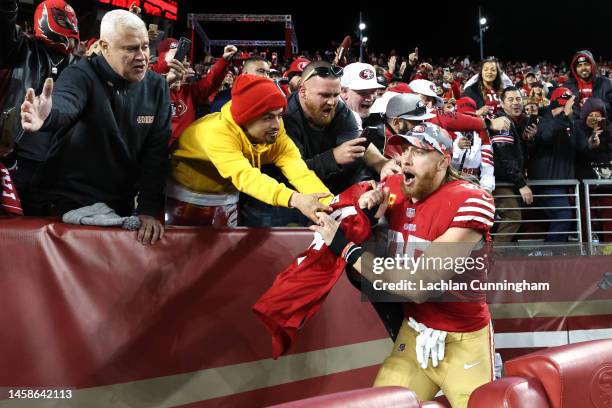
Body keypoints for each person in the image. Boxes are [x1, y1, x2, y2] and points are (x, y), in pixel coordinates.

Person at [312, 122, 496, 408]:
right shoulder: (393, 188)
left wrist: (346, 249)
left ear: (442, 163)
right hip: (413, 332)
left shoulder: (470, 199)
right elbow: (368, 240)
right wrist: (369, 218)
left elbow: (419, 286)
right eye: (405, 150)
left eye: (420, 151)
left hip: (463, 339)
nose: (406, 159)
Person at [20, 9, 169, 245]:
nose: (142, 56)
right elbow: (65, 103)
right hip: (67, 204)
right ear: (104, 46)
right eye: (130, 49)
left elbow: (156, 154)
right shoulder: (81, 74)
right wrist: (46, 116)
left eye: (145, 46)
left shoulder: (157, 87)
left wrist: (149, 210)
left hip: (119, 206)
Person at [168, 74, 332, 227]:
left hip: (226, 196)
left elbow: (300, 173)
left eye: (279, 115)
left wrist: (331, 205)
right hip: (184, 195)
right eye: (267, 117)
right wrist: (295, 199)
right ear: (245, 118)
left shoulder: (275, 131)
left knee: (225, 253)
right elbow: (246, 176)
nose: (277, 125)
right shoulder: (214, 132)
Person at [0, 0, 80, 208]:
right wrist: (8, 6)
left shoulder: (79, 65)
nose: (71, 24)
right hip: (12, 156)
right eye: (64, 18)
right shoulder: (20, 46)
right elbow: (4, 25)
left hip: (55, 166)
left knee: (41, 231)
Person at [149, 38, 236, 147]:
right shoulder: (145, 84)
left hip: (183, 156)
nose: (180, 63)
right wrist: (165, 81)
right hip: (154, 155)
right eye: (175, 57)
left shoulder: (188, 92)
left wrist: (224, 60)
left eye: (183, 59)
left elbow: (210, 82)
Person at [527, 87, 583, 242]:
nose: (565, 110)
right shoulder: (541, 120)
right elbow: (545, 135)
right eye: (562, 106)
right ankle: (550, 253)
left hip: (563, 182)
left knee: (562, 217)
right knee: (563, 214)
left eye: (568, 106)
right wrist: (564, 115)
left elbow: (580, 148)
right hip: (546, 182)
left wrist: (590, 144)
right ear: (553, 105)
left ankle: (552, 253)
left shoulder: (570, 123)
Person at [490, 86, 534, 243]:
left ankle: (504, 259)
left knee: (514, 222)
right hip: (501, 182)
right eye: (510, 100)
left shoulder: (517, 123)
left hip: (507, 181)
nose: (515, 103)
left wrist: (528, 140)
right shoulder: (503, 123)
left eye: (518, 99)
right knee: (513, 217)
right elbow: (505, 157)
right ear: (502, 103)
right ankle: (492, 259)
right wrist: (521, 183)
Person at [574, 98, 612, 242]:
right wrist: (590, 143)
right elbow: (577, 151)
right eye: (591, 115)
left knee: (608, 217)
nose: (594, 118)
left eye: (598, 115)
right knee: (585, 219)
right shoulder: (577, 128)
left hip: (606, 185)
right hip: (584, 185)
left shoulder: (609, 130)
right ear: (584, 116)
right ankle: (587, 251)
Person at [564, 50, 612, 118]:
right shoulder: (567, 87)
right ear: (575, 69)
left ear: (592, 65)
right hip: (576, 126)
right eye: (579, 66)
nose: (583, 68)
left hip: (602, 126)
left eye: (586, 64)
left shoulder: (606, 83)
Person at [340, 62, 384, 129]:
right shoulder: (331, 125)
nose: (371, 98)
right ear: (344, 92)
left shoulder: (379, 121)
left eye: (373, 91)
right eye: (363, 92)